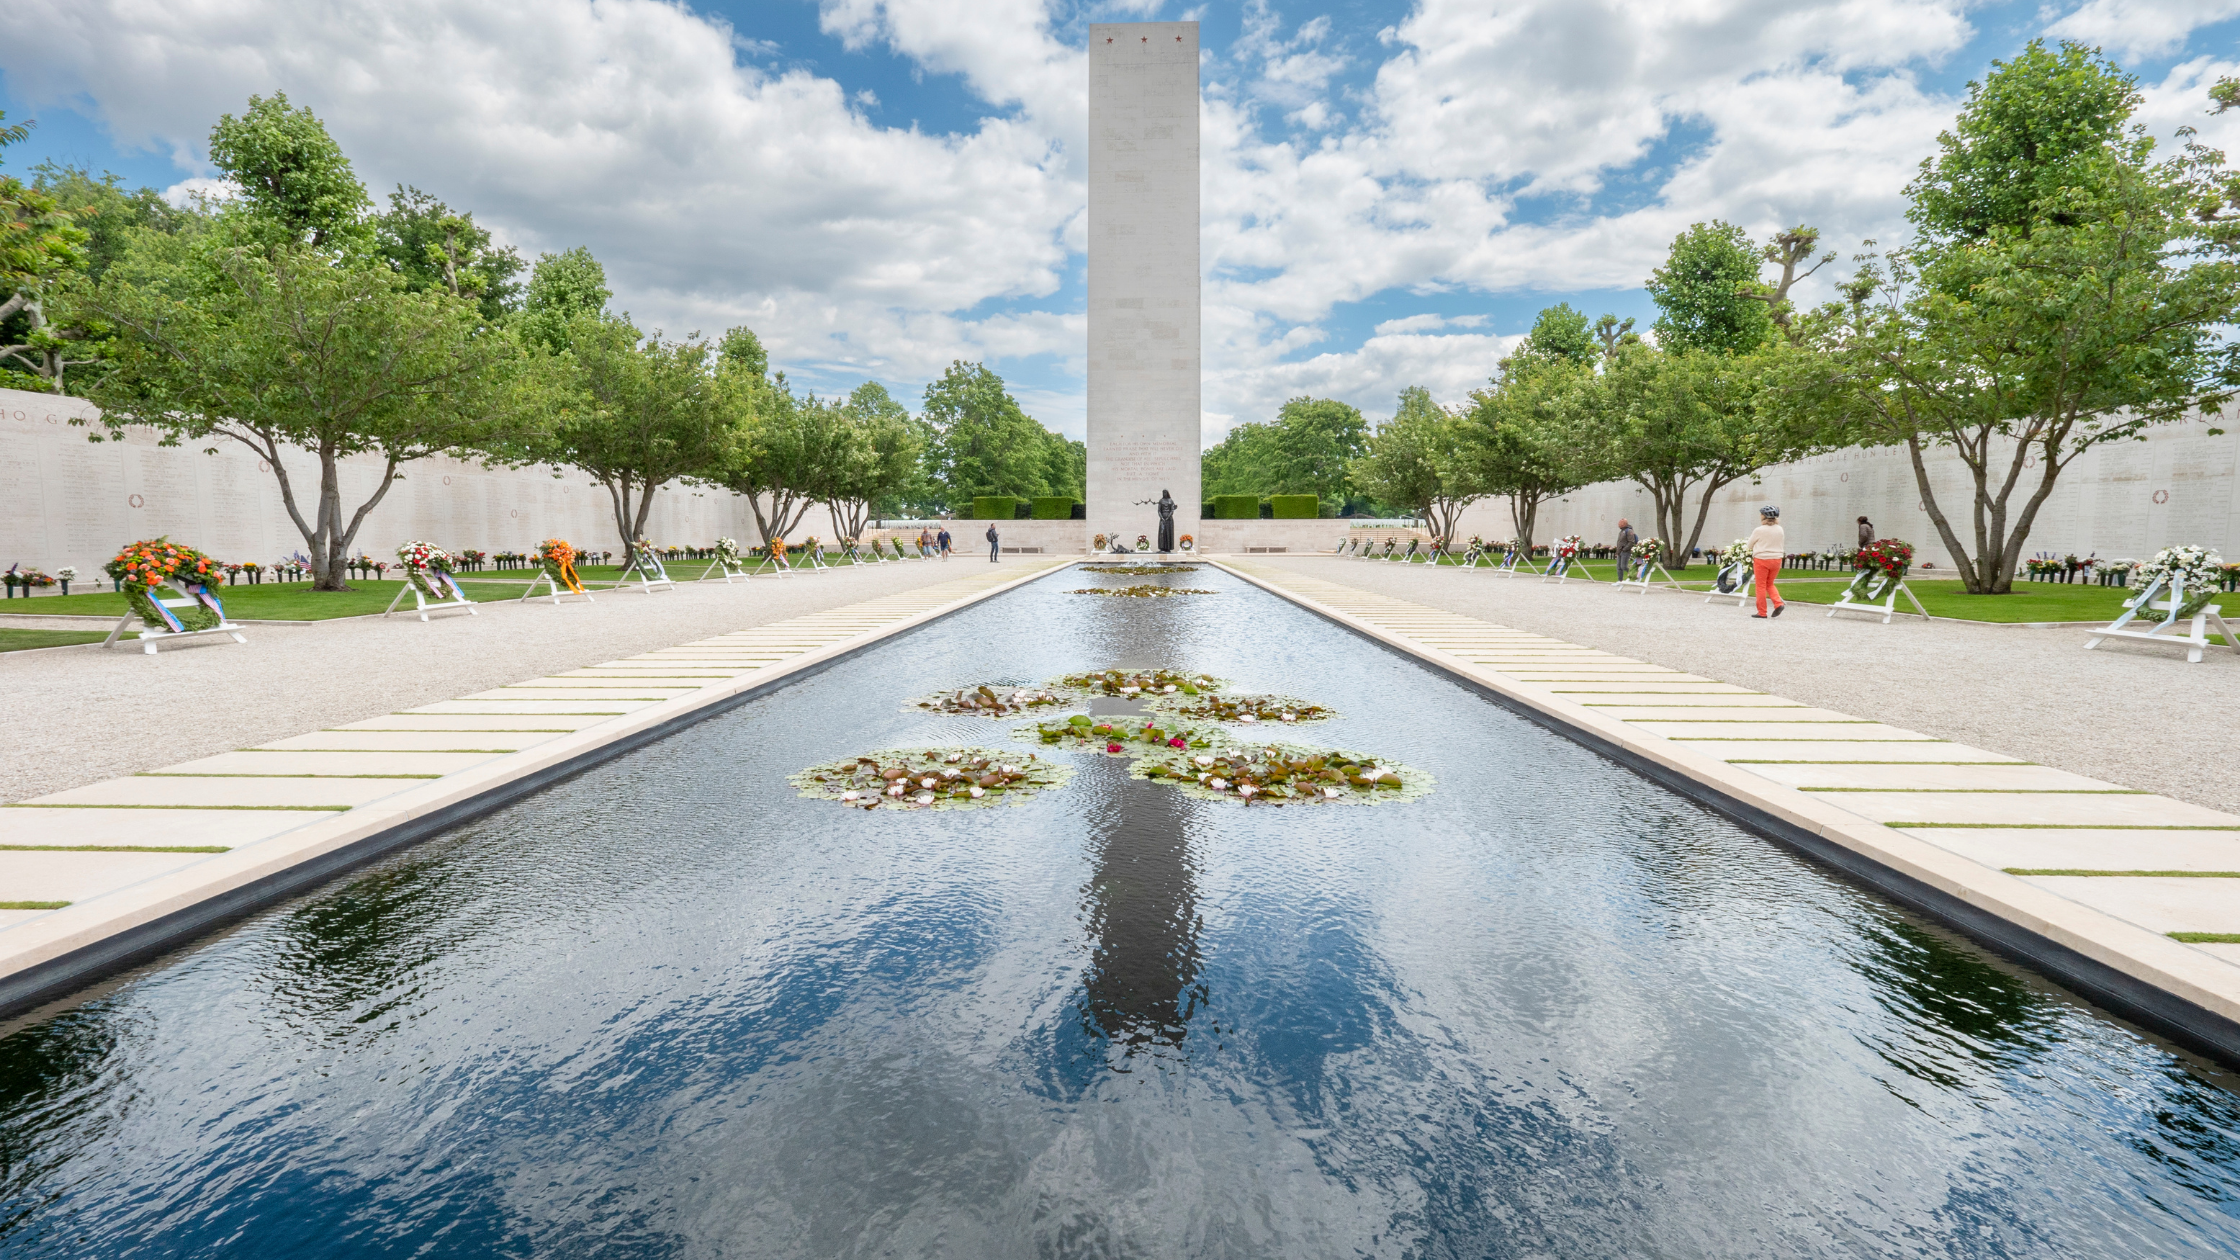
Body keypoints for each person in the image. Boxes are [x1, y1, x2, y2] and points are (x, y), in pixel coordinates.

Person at [1749, 506, 1786, 618]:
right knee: (1769, 584)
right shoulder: (1780, 529)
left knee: (1760, 586)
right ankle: (1778, 603)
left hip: (1762, 559)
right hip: (1777, 560)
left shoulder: (1759, 530)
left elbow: (1749, 545)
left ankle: (1762, 612)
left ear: (1764, 516)